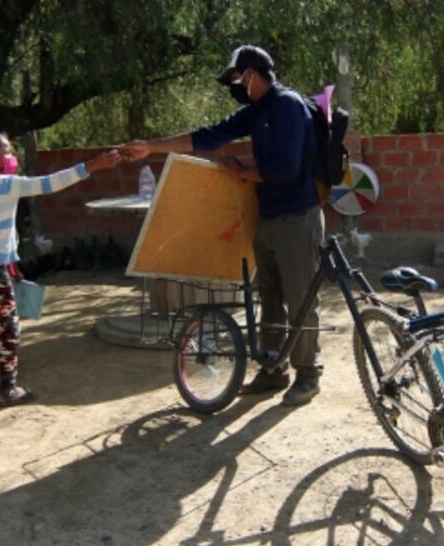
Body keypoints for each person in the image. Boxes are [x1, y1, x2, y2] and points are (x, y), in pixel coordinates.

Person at [122, 45, 324, 406]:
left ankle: (308, 375)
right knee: (270, 296)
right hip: (268, 216)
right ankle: (273, 369)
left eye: (234, 79)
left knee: (301, 297)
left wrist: (242, 172)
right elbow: (207, 136)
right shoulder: (256, 111)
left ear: (251, 74)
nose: (233, 87)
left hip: (297, 218)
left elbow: (287, 168)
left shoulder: (287, 105)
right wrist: (151, 147)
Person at [0, 132, 120, 405]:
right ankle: (8, 388)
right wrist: (92, 166)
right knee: (10, 326)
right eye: (6, 151)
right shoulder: (6, 184)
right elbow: (49, 183)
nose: (11, 155)